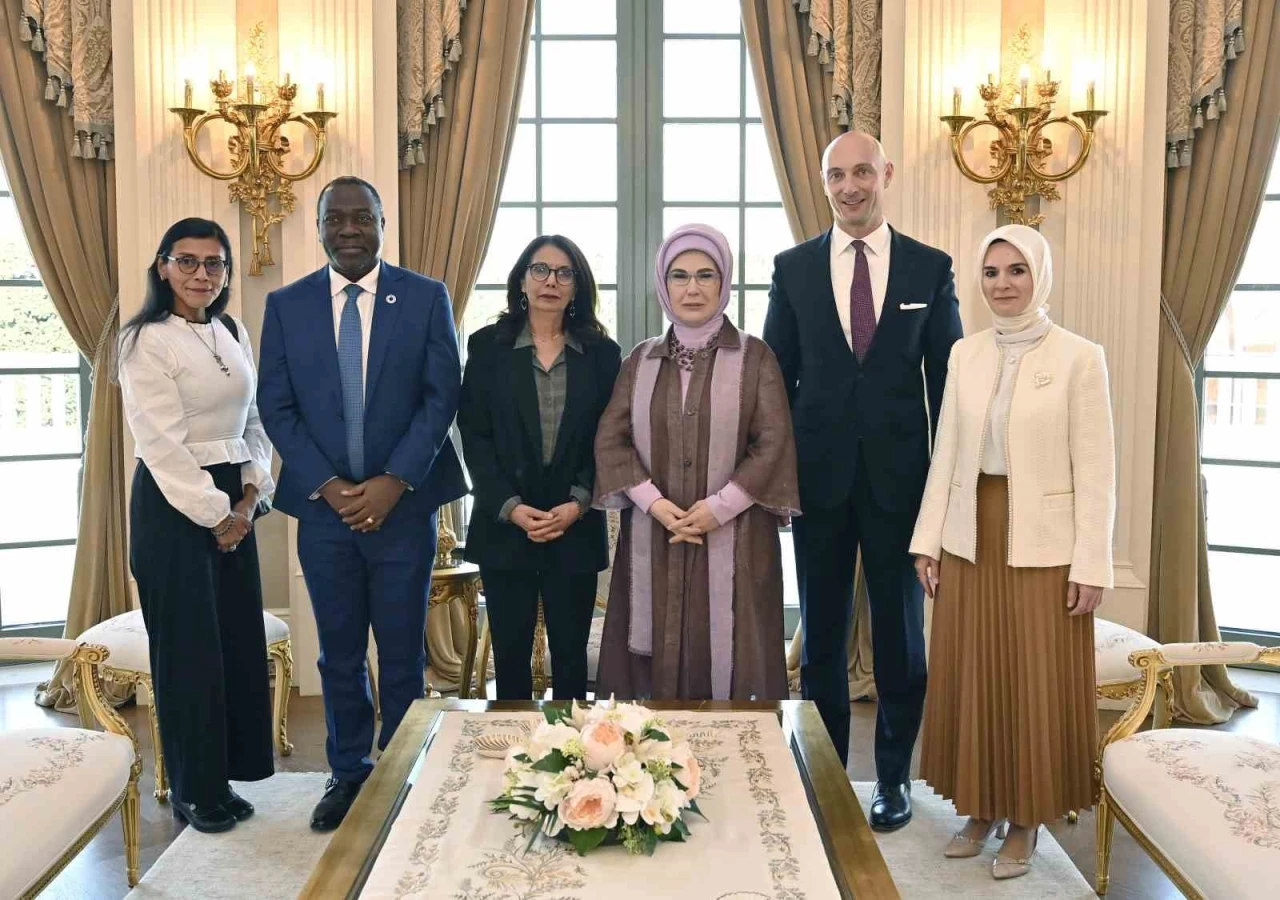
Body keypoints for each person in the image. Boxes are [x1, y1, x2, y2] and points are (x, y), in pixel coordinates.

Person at [762, 131, 963, 830]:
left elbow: (949, 391)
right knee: (821, 638)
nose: (850, 187)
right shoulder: (791, 269)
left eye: (862, 173)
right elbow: (774, 387)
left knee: (902, 639)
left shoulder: (929, 269)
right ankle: (825, 775)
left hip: (900, 487)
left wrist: (942, 499)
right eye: (836, 175)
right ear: (824, 183)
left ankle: (894, 779)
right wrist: (777, 484)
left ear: (887, 174)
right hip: (817, 485)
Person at [257, 176, 468, 832]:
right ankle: (348, 772)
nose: (349, 229)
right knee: (339, 655)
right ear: (318, 226)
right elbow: (276, 405)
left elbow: (442, 396)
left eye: (362, 217)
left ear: (382, 224)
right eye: (335, 218)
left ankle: (404, 772)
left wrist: (394, 481)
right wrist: (328, 484)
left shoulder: (426, 297)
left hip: (404, 509)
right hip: (324, 514)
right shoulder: (287, 305)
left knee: (402, 653)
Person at [911, 224, 1114, 879]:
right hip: (970, 534)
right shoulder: (964, 354)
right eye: (992, 272)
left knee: (1031, 681)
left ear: (1040, 276)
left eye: (1016, 270)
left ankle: (1026, 818)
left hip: (1044, 545)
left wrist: (1091, 563)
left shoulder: (1081, 357)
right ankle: (980, 807)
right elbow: (945, 452)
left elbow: (1097, 470)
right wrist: (927, 542)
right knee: (973, 673)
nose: (1003, 284)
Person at [594, 223, 799, 701]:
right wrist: (656, 505)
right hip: (656, 532)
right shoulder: (640, 360)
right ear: (663, 284)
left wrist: (718, 509)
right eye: (679, 275)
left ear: (724, 282)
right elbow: (612, 439)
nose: (692, 288)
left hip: (738, 537)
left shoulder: (756, 358)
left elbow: (772, 442)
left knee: (736, 654)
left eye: (706, 275)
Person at [118, 217, 275, 833]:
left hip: (236, 498)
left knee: (233, 644)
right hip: (173, 505)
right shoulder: (145, 340)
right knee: (188, 653)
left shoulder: (233, 330)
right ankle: (192, 789)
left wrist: (251, 498)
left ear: (226, 272)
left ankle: (223, 779)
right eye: (187, 261)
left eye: (214, 263)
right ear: (163, 267)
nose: (201, 274)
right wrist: (218, 514)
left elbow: (255, 423)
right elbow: (160, 445)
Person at [458, 236, 621, 700]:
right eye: (540, 269)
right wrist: (510, 506)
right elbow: (474, 435)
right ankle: (510, 746)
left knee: (570, 661)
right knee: (509, 661)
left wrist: (580, 502)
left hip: (575, 526)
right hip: (505, 526)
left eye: (564, 272)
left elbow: (610, 438)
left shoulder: (603, 354)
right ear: (522, 280)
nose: (552, 281)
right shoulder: (488, 346)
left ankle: (571, 747)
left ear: (578, 286)